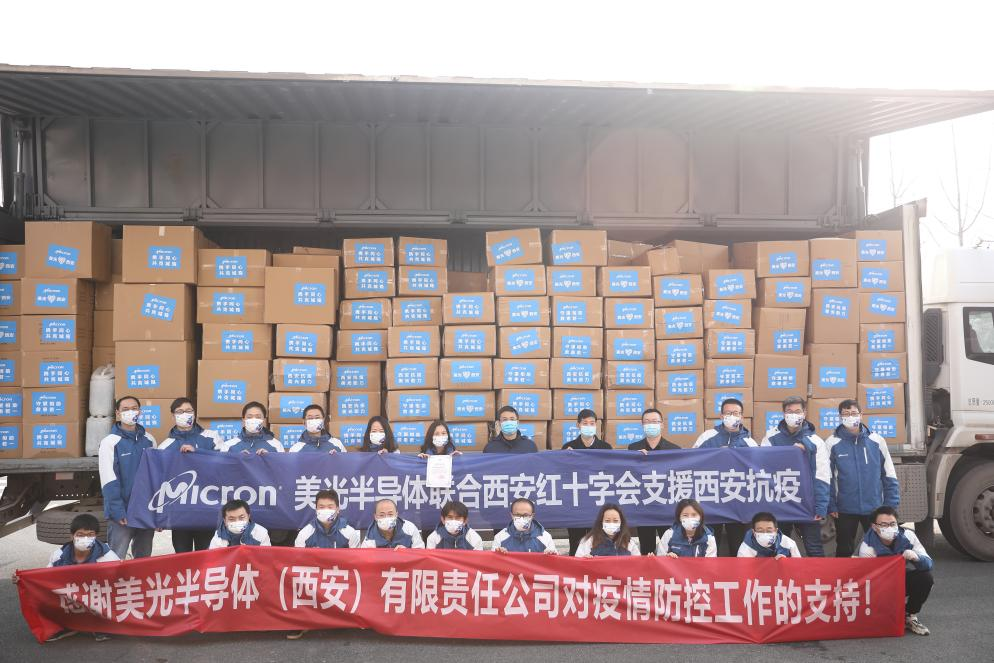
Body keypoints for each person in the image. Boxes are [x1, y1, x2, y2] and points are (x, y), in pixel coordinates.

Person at [11, 513, 119, 642]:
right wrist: (23, 580)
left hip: (96, 597)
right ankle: (68, 625)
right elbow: (44, 580)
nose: (85, 538)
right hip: (70, 597)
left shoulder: (108, 557)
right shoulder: (59, 556)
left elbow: (120, 581)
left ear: (96, 536)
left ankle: (100, 624)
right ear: (72, 536)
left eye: (90, 535)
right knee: (46, 595)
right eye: (80, 535)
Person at [825, 399, 900, 558]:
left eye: (854, 413)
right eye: (846, 414)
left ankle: (879, 575)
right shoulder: (832, 443)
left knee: (879, 547)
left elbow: (889, 473)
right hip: (845, 508)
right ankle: (845, 574)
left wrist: (890, 504)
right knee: (844, 548)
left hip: (874, 507)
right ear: (840, 417)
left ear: (861, 415)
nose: (850, 417)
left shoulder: (877, 440)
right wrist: (831, 504)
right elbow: (828, 477)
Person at [760, 396, 830, 556]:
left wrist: (820, 507)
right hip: (780, 502)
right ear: (783, 414)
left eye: (797, 411)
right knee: (779, 548)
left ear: (804, 413)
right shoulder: (771, 437)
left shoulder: (815, 441)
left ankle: (818, 574)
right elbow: (763, 468)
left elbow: (822, 475)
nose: (793, 415)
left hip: (807, 503)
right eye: (789, 411)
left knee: (813, 547)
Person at [157, 397, 223, 553]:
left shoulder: (212, 436)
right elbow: (160, 483)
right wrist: (159, 516)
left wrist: (198, 452)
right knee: (182, 557)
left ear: (194, 413)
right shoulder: (164, 446)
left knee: (206, 556)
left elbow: (223, 463)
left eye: (188, 411)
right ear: (173, 416)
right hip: (180, 514)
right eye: (180, 412)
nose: (185, 414)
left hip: (207, 509)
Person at [856, 506, 934, 636]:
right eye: (884, 525)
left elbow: (929, 563)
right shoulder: (867, 546)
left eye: (892, 524)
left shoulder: (908, 536)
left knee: (925, 578)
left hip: (899, 577)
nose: (889, 528)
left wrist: (916, 558)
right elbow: (868, 580)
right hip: (878, 584)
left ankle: (910, 615)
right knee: (882, 621)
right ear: (874, 527)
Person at [692, 398, 756, 553]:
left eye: (736, 413)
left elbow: (757, 471)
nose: (732, 416)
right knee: (709, 547)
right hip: (711, 500)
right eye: (728, 413)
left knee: (739, 548)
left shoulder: (750, 442)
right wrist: (715, 456)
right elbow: (692, 461)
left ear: (741, 416)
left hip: (739, 502)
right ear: (721, 416)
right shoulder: (707, 436)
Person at [98, 395, 156, 560]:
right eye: (125, 409)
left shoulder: (149, 440)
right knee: (116, 558)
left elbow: (155, 476)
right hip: (123, 512)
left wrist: (156, 511)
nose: (130, 412)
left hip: (145, 510)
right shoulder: (110, 442)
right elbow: (108, 480)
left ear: (140, 412)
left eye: (134, 408)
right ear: (117, 413)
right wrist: (117, 510)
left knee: (143, 558)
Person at [628, 408, 680, 554]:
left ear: (662, 424)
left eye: (655, 421)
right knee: (646, 549)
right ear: (642, 425)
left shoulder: (674, 450)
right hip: (644, 507)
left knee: (669, 549)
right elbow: (628, 475)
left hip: (666, 507)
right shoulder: (633, 449)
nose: (651, 425)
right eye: (647, 422)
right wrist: (635, 459)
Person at [294, 489, 360, 549]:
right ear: (316, 510)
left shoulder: (350, 533)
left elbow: (355, 556)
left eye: (330, 507)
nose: (326, 510)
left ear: (337, 509)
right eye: (321, 507)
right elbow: (298, 557)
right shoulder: (304, 534)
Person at [493, 498, 557, 554]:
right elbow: (493, 561)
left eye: (525, 515)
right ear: (512, 515)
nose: (521, 518)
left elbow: (554, 560)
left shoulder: (545, 537)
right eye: (517, 515)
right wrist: (499, 554)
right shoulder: (500, 537)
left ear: (532, 516)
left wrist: (550, 554)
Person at [574, 503, 640, 557]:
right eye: (607, 521)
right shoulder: (589, 541)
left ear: (621, 522)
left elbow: (638, 564)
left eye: (615, 521)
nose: (611, 523)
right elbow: (577, 563)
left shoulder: (629, 543)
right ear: (601, 522)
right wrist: (584, 560)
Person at [359, 499, 425, 548]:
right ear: (375, 517)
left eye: (390, 514)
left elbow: (420, 553)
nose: (386, 518)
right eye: (382, 515)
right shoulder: (369, 538)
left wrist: (407, 553)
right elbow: (364, 559)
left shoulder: (409, 529)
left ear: (396, 515)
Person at [737, 512, 802, 558]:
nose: (765, 534)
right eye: (760, 531)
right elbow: (743, 569)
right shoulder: (746, 547)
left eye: (769, 531)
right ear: (754, 532)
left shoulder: (789, 544)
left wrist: (786, 563)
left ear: (776, 531)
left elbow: (798, 567)